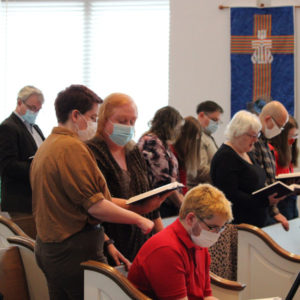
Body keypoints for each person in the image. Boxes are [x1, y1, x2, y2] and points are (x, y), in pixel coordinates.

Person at [30, 85, 154, 300]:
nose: (94, 124)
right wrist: (140, 219)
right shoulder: (72, 147)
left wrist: (106, 241)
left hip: (50, 249)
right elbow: (95, 205)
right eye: (93, 117)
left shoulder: (47, 146)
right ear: (76, 115)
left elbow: (75, 202)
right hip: (73, 251)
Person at [86, 93, 167, 265]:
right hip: (110, 244)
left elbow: (147, 198)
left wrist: (163, 236)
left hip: (140, 240)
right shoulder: (91, 152)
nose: (128, 127)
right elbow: (91, 203)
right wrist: (106, 241)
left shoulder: (133, 151)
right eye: (122, 121)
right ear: (104, 120)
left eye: (132, 122)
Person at [128, 183, 233, 300]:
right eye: (213, 227)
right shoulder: (167, 250)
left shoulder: (199, 242)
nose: (216, 234)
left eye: (221, 228)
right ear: (191, 218)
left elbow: (206, 296)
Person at [211, 110, 284, 227]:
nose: (255, 140)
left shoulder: (246, 153)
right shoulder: (225, 157)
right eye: (252, 136)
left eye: (257, 135)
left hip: (255, 224)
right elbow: (230, 196)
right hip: (237, 226)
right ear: (237, 133)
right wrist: (265, 201)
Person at [0, 85, 45, 238]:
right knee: (28, 252)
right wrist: (37, 168)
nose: (35, 112)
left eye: (38, 109)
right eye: (32, 107)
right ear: (20, 103)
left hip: (37, 201)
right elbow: (7, 166)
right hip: (20, 202)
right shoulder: (8, 127)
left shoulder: (35, 128)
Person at [138, 106, 184, 218]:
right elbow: (164, 182)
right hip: (160, 205)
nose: (178, 131)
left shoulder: (161, 142)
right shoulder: (153, 142)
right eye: (178, 127)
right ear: (170, 126)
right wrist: (183, 206)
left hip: (165, 202)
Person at [251, 100, 289, 230]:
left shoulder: (266, 143)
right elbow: (256, 180)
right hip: (256, 210)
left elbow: (269, 177)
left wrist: (275, 211)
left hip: (267, 209)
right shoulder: (253, 141)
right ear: (268, 119)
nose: (280, 131)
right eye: (279, 126)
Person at [187, 101, 223, 188]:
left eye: (218, 121)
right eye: (214, 120)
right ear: (201, 115)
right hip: (199, 190)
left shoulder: (207, 136)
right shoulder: (196, 136)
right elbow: (200, 169)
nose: (216, 124)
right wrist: (223, 173)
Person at [269, 115, 299, 220]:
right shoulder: (272, 150)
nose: (293, 140)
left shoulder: (288, 150)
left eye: (295, 136)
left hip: (291, 199)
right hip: (280, 202)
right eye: (290, 136)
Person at [170, 116, 202, 195]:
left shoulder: (182, 155)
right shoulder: (172, 153)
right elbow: (172, 187)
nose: (194, 146)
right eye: (193, 140)